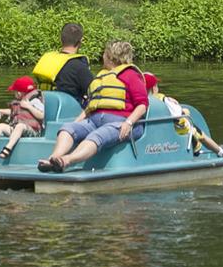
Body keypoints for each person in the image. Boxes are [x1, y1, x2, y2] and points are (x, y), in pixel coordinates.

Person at [37, 40, 149, 172]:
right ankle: (53, 159)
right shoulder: (103, 76)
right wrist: (76, 123)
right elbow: (90, 107)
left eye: (104, 54)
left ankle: (66, 161)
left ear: (109, 56)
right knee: (67, 129)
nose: (102, 57)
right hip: (95, 120)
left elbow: (142, 104)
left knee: (98, 135)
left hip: (122, 122)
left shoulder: (130, 75)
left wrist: (129, 123)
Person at [143, 72, 223, 156]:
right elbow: (177, 113)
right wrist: (183, 110)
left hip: (155, 133)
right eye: (157, 85)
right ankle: (220, 152)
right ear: (154, 88)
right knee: (201, 135)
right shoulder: (163, 99)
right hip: (180, 130)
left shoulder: (140, 101)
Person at [0, 75, 44, 159]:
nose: (14, 94)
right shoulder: (21, 102)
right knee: (1, 126)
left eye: (15, 92)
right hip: (17, 129)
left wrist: (29, 106)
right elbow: (14, 112)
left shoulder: (35, 101)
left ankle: (8, 148)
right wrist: (1, 111)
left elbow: (42, 116)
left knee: (20, 126)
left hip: (33, 132)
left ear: (19, 93)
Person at [31, 22, 94, 101]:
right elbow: (94, 92)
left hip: (43, 107)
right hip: (68, 111)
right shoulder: (80, 67)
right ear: (81, 41)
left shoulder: (47, 60)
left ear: (60, 39)